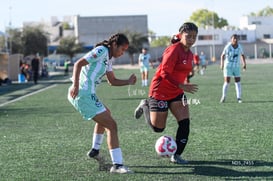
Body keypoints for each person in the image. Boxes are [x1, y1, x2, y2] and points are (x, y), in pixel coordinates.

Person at [68, 33, 137, 174]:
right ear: (114, 45)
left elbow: (112, 81)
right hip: (83, 94)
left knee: (107, 115)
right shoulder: (102, 51)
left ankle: (95, 150)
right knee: (112, 125)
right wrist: (75, 85)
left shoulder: (108, 59)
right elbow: (78, 64)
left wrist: (128, 82)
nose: (122, 53)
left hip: (88, 95)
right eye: (122, 49)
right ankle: (117, 165)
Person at [134, 22, 199, 164]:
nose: (191, 39)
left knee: (185, 123)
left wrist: (184, 82)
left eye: (194, 37)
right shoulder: (173, 50)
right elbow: (164, 73)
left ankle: (176, 155)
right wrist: (182, 84)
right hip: (160, 91)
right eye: (188, 36)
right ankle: (145, 104)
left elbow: (182, 71)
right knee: (158, 128)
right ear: (181, 35)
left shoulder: (189, 53)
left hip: (176, 92)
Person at [220, 34, 246, 103]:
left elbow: (242, 55)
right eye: (234, 38)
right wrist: (222, 64)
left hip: (236, 67)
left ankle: (239, 98)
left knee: (238, 82)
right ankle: (223, 97)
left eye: (236, 38)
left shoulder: (240, 46)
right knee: (227, 82)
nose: (235, 40)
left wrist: (244, 64)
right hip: (228, 66)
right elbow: (222, 55)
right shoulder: (228, 46)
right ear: (231, 39)